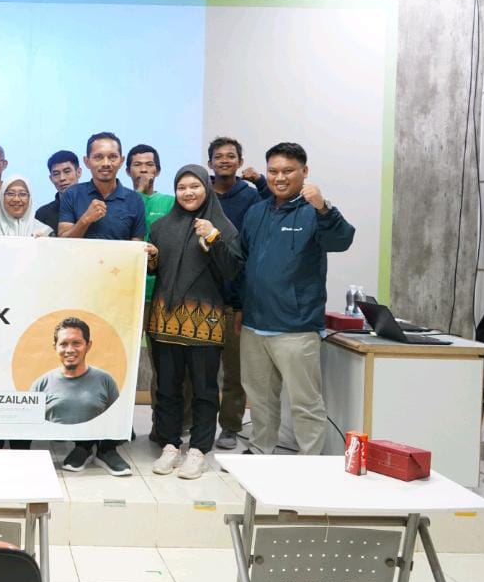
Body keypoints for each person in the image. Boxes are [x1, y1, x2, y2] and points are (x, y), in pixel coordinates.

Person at [239, 142, 355, 456]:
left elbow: (342, 240)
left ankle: (309, 461)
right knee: (260, 399)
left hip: (296, 328)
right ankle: (260, 450)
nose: (279, 177)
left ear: (304, 172)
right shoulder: (256, 212)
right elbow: (244, 260)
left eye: (288, 171)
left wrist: (324, 208)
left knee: (305, 402)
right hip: (254, 325)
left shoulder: (315, 212)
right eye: (273, 171)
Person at [55, 133, 147, 476]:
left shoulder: (133, 201)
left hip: (118, 298)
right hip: (79, 294)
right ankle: (82, 444)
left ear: (121, 160)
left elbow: (136, 250)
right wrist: (86, 220)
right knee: (82, 367)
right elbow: (62, 243)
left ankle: (109, 445)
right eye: (98, 157)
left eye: (112, 157)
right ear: (87, 161)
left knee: (116, 367)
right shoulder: (73, 196)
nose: (105, 163)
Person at [146, 166, 243, 479]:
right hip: (164, 320)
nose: (187, 193)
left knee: (203, 389)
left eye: (195, 186)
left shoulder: (222, 226)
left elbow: (232, 270)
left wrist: (213, 238)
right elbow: (157, 271)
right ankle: (170, 445)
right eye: (182, 187)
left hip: (206, 321)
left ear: (207, 189)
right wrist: (151, 257)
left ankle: (199, 449)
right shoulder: (161, 227)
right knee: (167, 388)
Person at [0, 176, 51, 450]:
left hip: (28, 323)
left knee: (24, 382)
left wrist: (47, 249)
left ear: (30, 199)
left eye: (23, 194)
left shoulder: (44, 232)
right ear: (2, 197)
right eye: (10, 193)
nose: (17, 199)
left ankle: (21, 446)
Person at [207, 136, 264, 450]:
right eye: (219, 156)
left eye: (231, 156)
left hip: (235, 298)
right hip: (203, 296)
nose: (225, 161)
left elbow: (252, 248)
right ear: (210, 163)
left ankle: (230, 426)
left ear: (240, 161)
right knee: (197, 370)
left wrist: (242, 302)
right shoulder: (201, 192)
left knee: (234, 370)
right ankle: (192, 422)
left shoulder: (251, 197)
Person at [125, 144, 181, 446]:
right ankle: (123, 422)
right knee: (125, 360)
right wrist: (136, 196)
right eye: (137, 164)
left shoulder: (171, 202)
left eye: (149, 164)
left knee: (163, 364)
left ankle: (163, 425)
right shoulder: (123, 200)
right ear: (127, 170)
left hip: (161, 293)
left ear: (158, 169)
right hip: (127, 293)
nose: (144, 169)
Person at [31, 318, 124, 474]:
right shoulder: (41, 383)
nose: (70, 350)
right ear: (55, 347)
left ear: (88, 345)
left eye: (76, 343)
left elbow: (118, 417)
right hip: (56, 443)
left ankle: (98, 450)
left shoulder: (105, 380)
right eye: (63, 344)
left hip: (93, 436)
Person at [34, 150, 82, 234]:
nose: (62, 178)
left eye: (67, 171)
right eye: (56, 174)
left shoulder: (93, 206)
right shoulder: (42, 214)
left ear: (78, 172)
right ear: (51, 178)